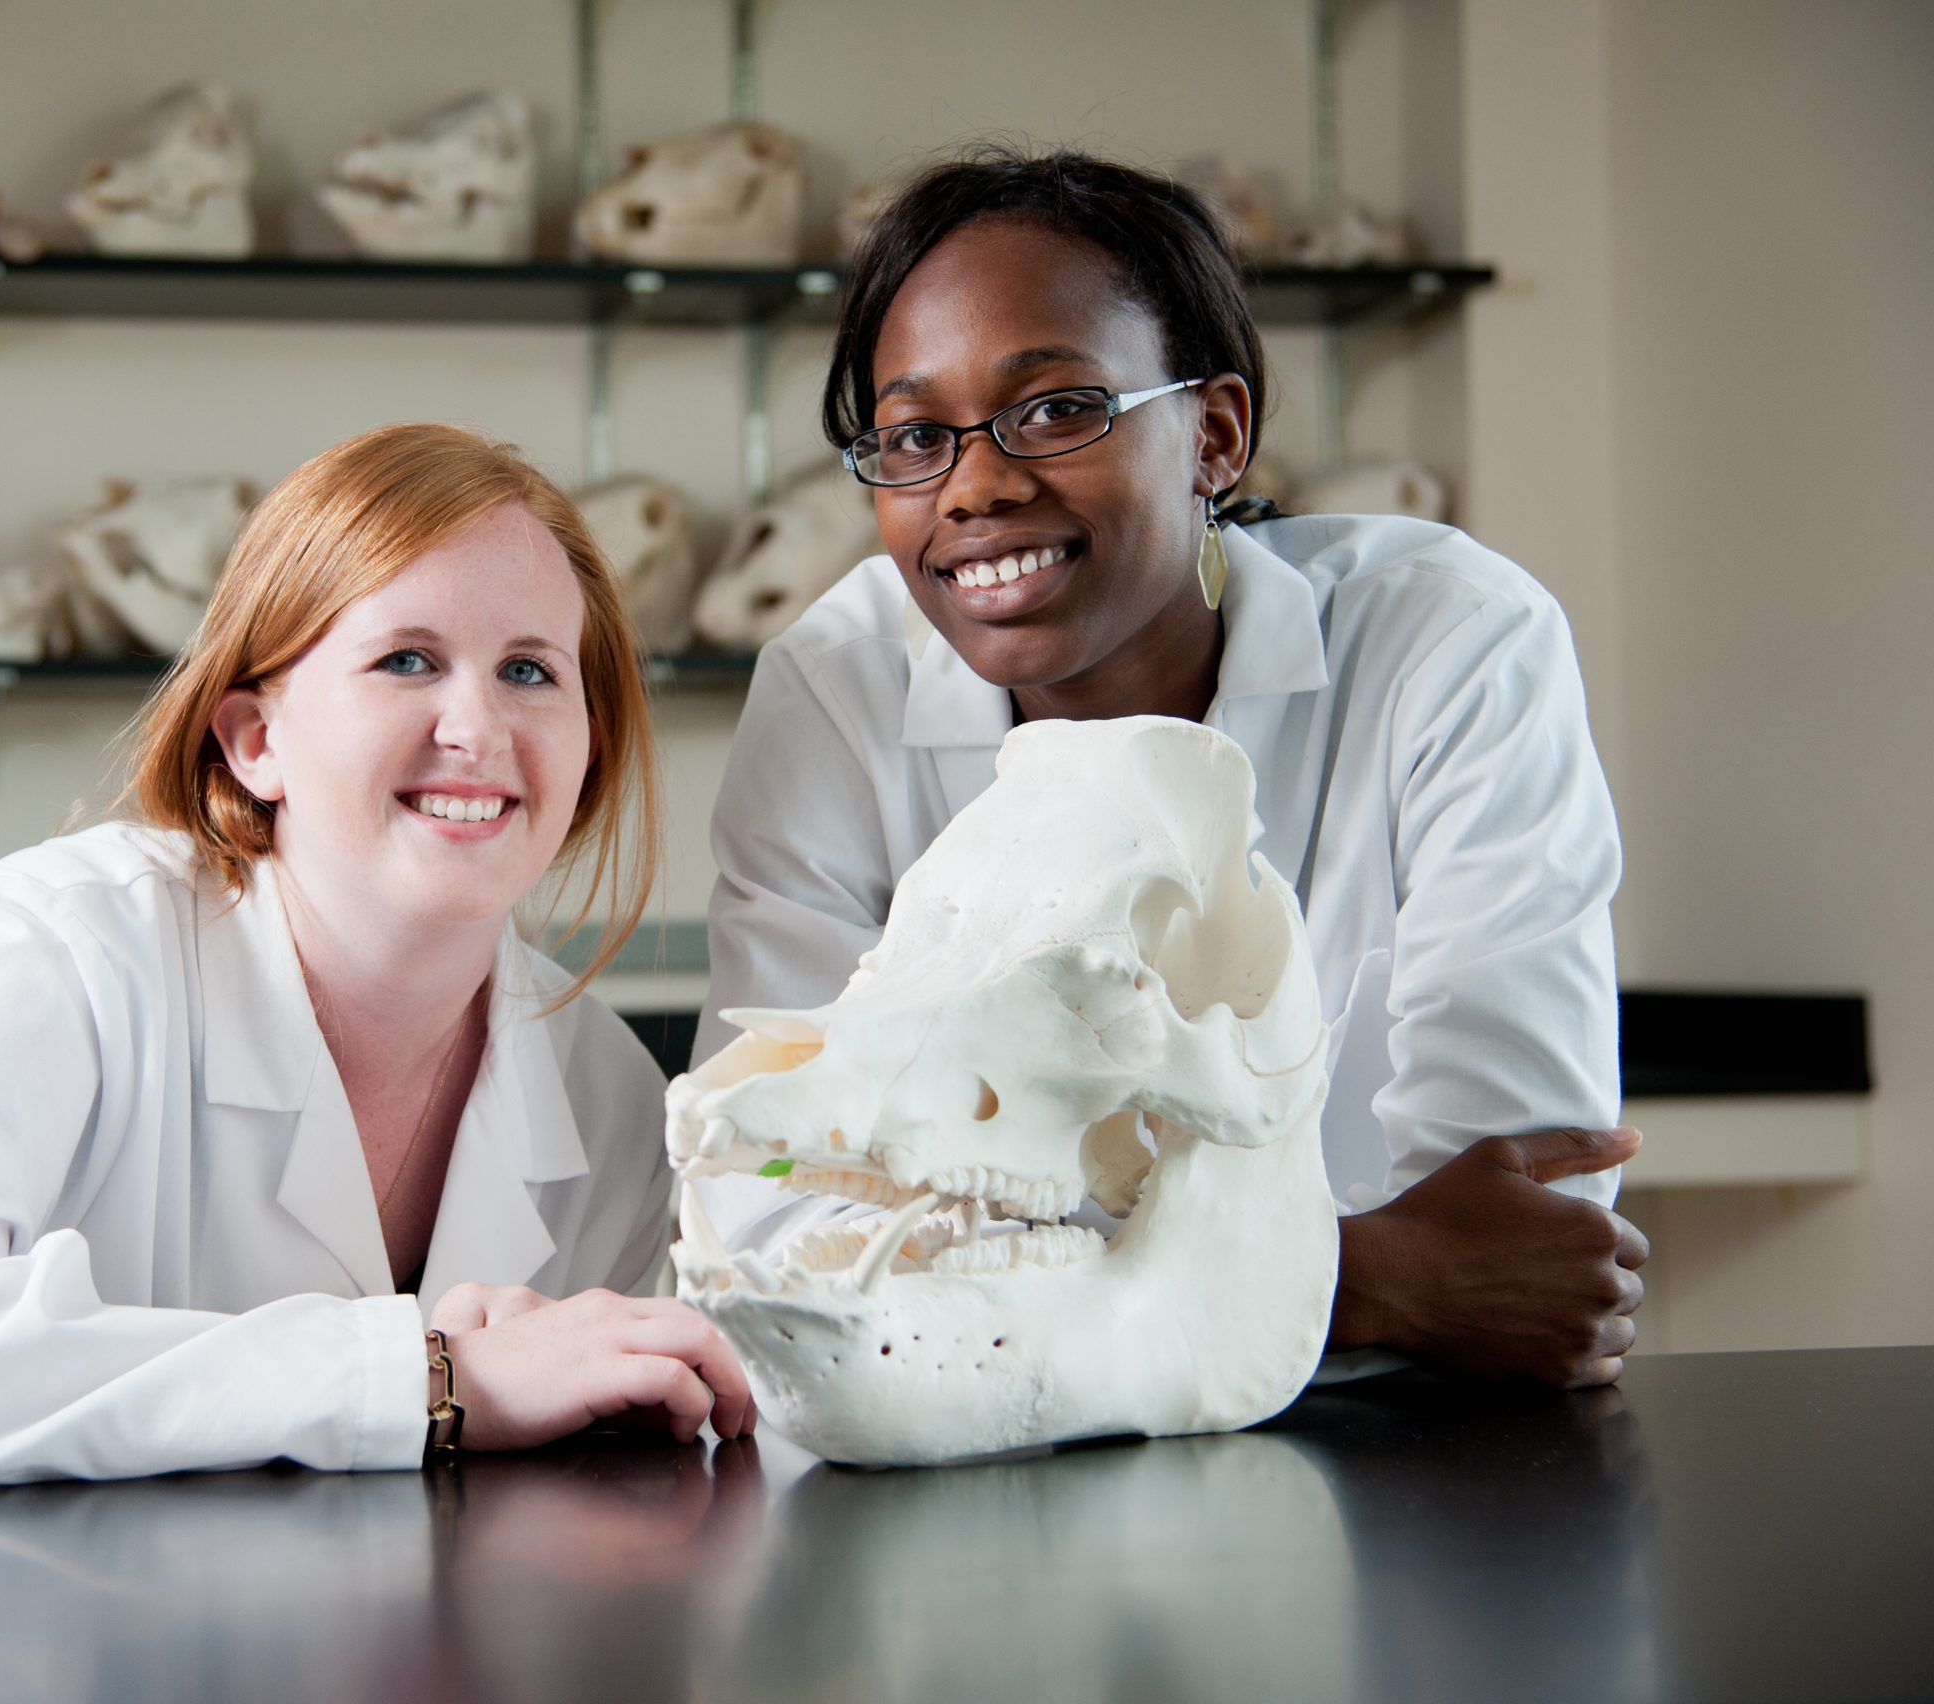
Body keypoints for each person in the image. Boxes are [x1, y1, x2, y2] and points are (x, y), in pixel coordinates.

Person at [0, 423, 754, 1496]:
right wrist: (419, 1375)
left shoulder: (602, 1099)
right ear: (254, 741)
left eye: (530, 671)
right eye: (406, 659)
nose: (477, 725)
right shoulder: (56, 951)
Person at [696, 151, 1648, 1389]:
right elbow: (777, 1235)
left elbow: (1518, 1222)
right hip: (992, 1501)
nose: (975, 485)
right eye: (916, 435)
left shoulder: (1452, 643)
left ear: (1214, 434)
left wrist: (1016, 1273)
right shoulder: (834, 693)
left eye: (1056, 409)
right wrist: (1368, 1280)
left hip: (1416, 1460)